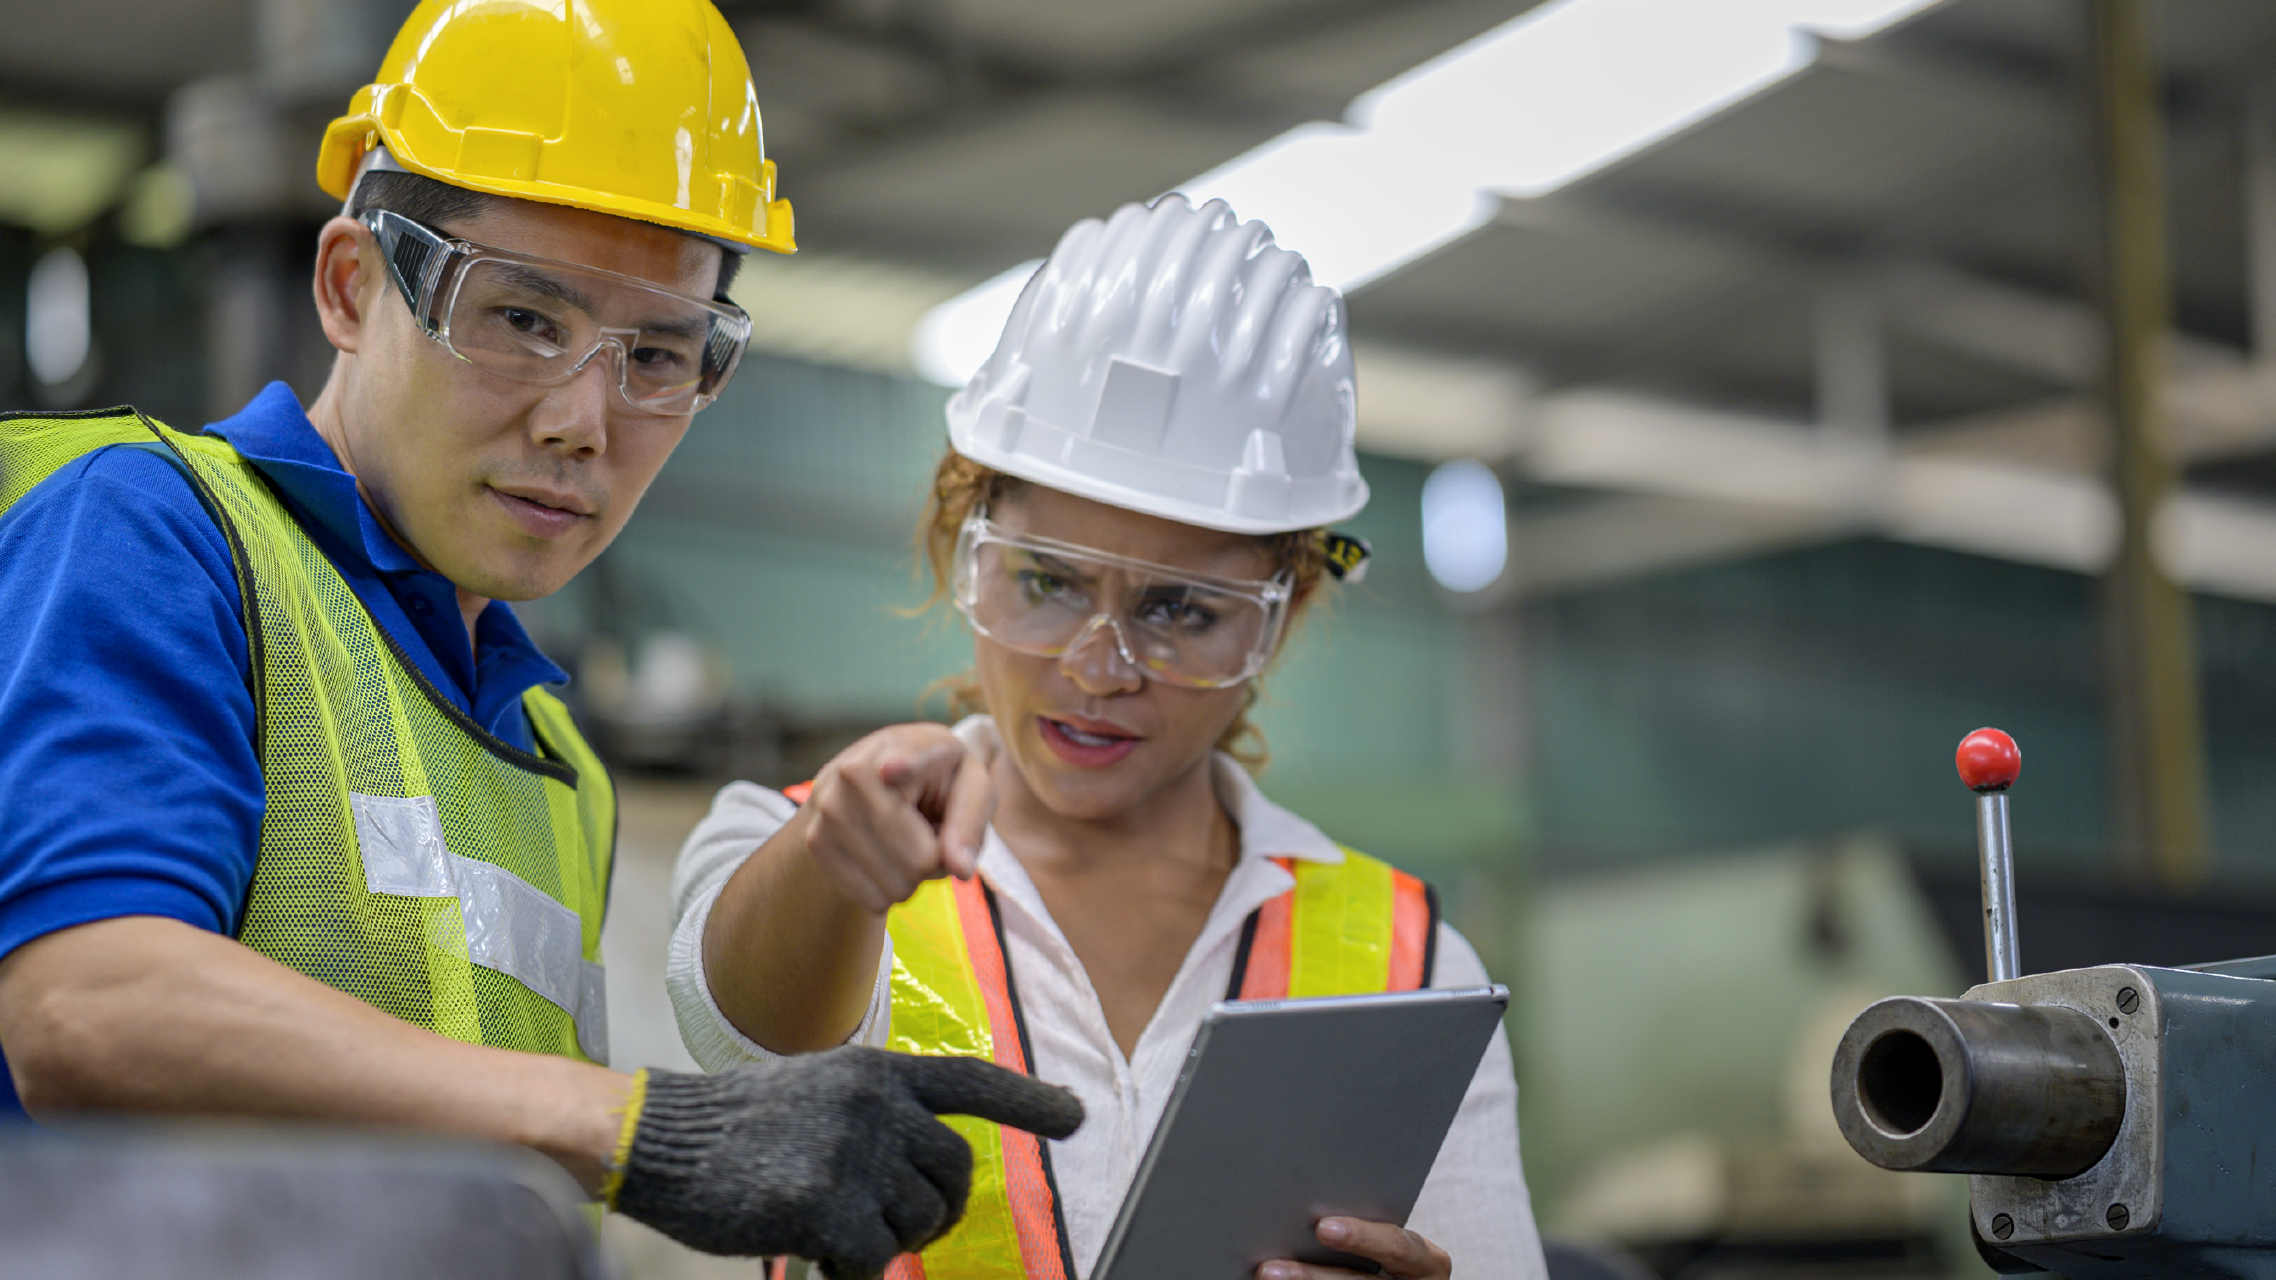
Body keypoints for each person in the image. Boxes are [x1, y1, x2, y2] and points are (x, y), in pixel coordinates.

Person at [0, 1, 1078, 1271]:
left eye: (657, 356)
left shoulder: (554, 758)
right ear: (352, 286)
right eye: (522, 318)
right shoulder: (155, 528)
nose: (584, 420)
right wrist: (639, 1125)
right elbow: (88, 1003)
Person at [669, 194, 1551, 1280]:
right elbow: (736, 1027)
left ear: (1284, 615)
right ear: (963, 542)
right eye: (1045, 581)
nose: (1098, 668)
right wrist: (828, 866)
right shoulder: (803, 849)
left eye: (1179, 611)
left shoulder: (1408, 969)